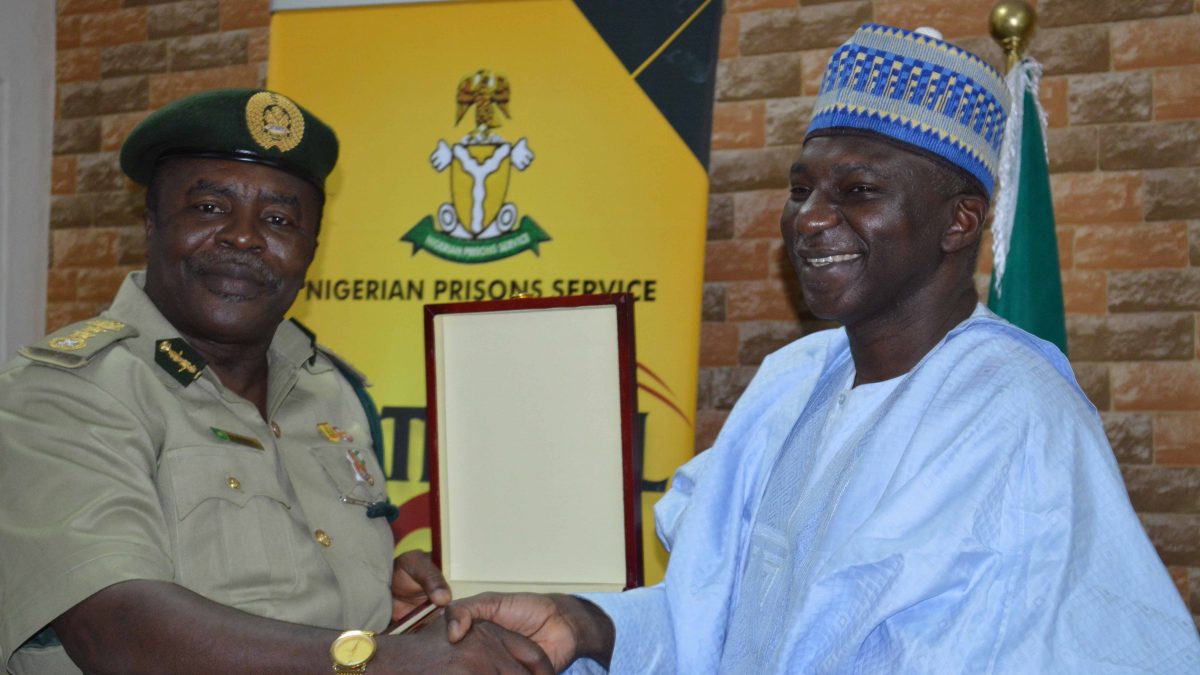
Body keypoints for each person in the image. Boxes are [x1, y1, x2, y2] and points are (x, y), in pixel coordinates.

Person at [442, 24, 1200, 673]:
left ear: (960, 221)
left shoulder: (1017, 414)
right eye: (801, 187)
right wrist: (585, 625)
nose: (808, 218)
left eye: (858, 190)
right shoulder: (794, 378)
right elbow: (716, 615)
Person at [0, 89, 551, 674]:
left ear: (312, 248)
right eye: (210, 208)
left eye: (279, 219)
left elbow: (291, 605)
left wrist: (379, 605)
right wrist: (391, 661)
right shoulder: (61, 393)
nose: (244, 237)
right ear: (153, 223)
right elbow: (122, 635)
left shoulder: (330, 390)